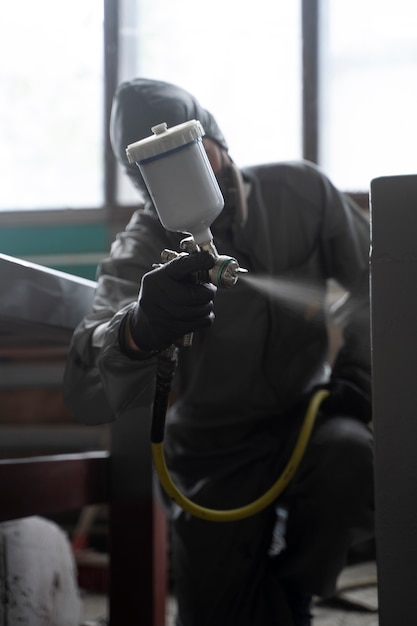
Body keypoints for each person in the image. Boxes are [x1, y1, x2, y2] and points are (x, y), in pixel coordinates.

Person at [63, 78, 374, 626]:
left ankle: (296, 590)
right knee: (213, 615)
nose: (170, 181)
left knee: (352, 455)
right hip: (212, 449)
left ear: (214, 139)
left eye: (182, 154)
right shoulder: (142, 248)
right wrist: (138, 326)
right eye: (147, 173)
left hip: (311, 419)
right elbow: (87, 378)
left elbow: (376, 284)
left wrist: (357, 372)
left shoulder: (301, 191)